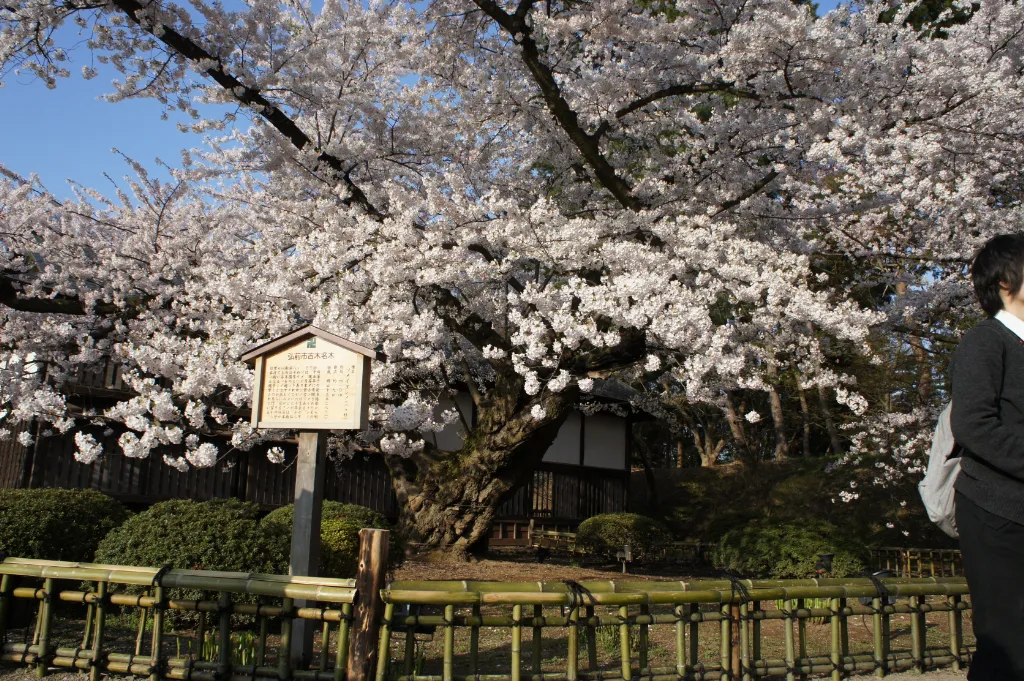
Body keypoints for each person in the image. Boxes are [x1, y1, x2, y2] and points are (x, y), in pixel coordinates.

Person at [951, 233, 1024, 680]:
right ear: (1003, 282)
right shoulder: (985, 342)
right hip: (997, 511)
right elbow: (974, 425)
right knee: (1007, 643)